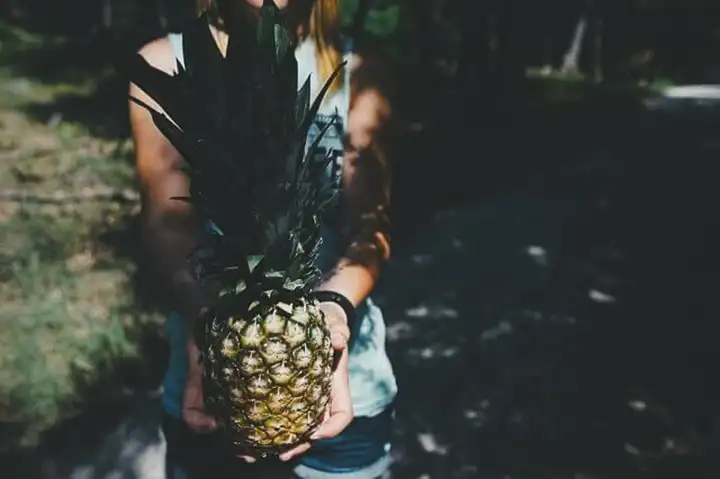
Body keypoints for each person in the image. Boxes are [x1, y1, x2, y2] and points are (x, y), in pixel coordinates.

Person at [128, 1, 396, 477]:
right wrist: (202, 317)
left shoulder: (356, 66)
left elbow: (371, 223)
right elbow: (165, 224)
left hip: (347, 374)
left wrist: (333, 306)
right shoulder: (164, 63)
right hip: (212, 373)